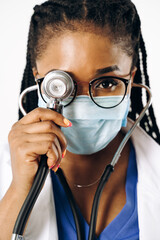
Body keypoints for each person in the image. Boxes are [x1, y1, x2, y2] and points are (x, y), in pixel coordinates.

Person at [0, 0, 160, 239]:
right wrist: (19, 190)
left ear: (131, 78)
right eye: (62, 84)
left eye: (107, 83)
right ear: (38, 79)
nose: (84, 105)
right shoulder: (8, 173)